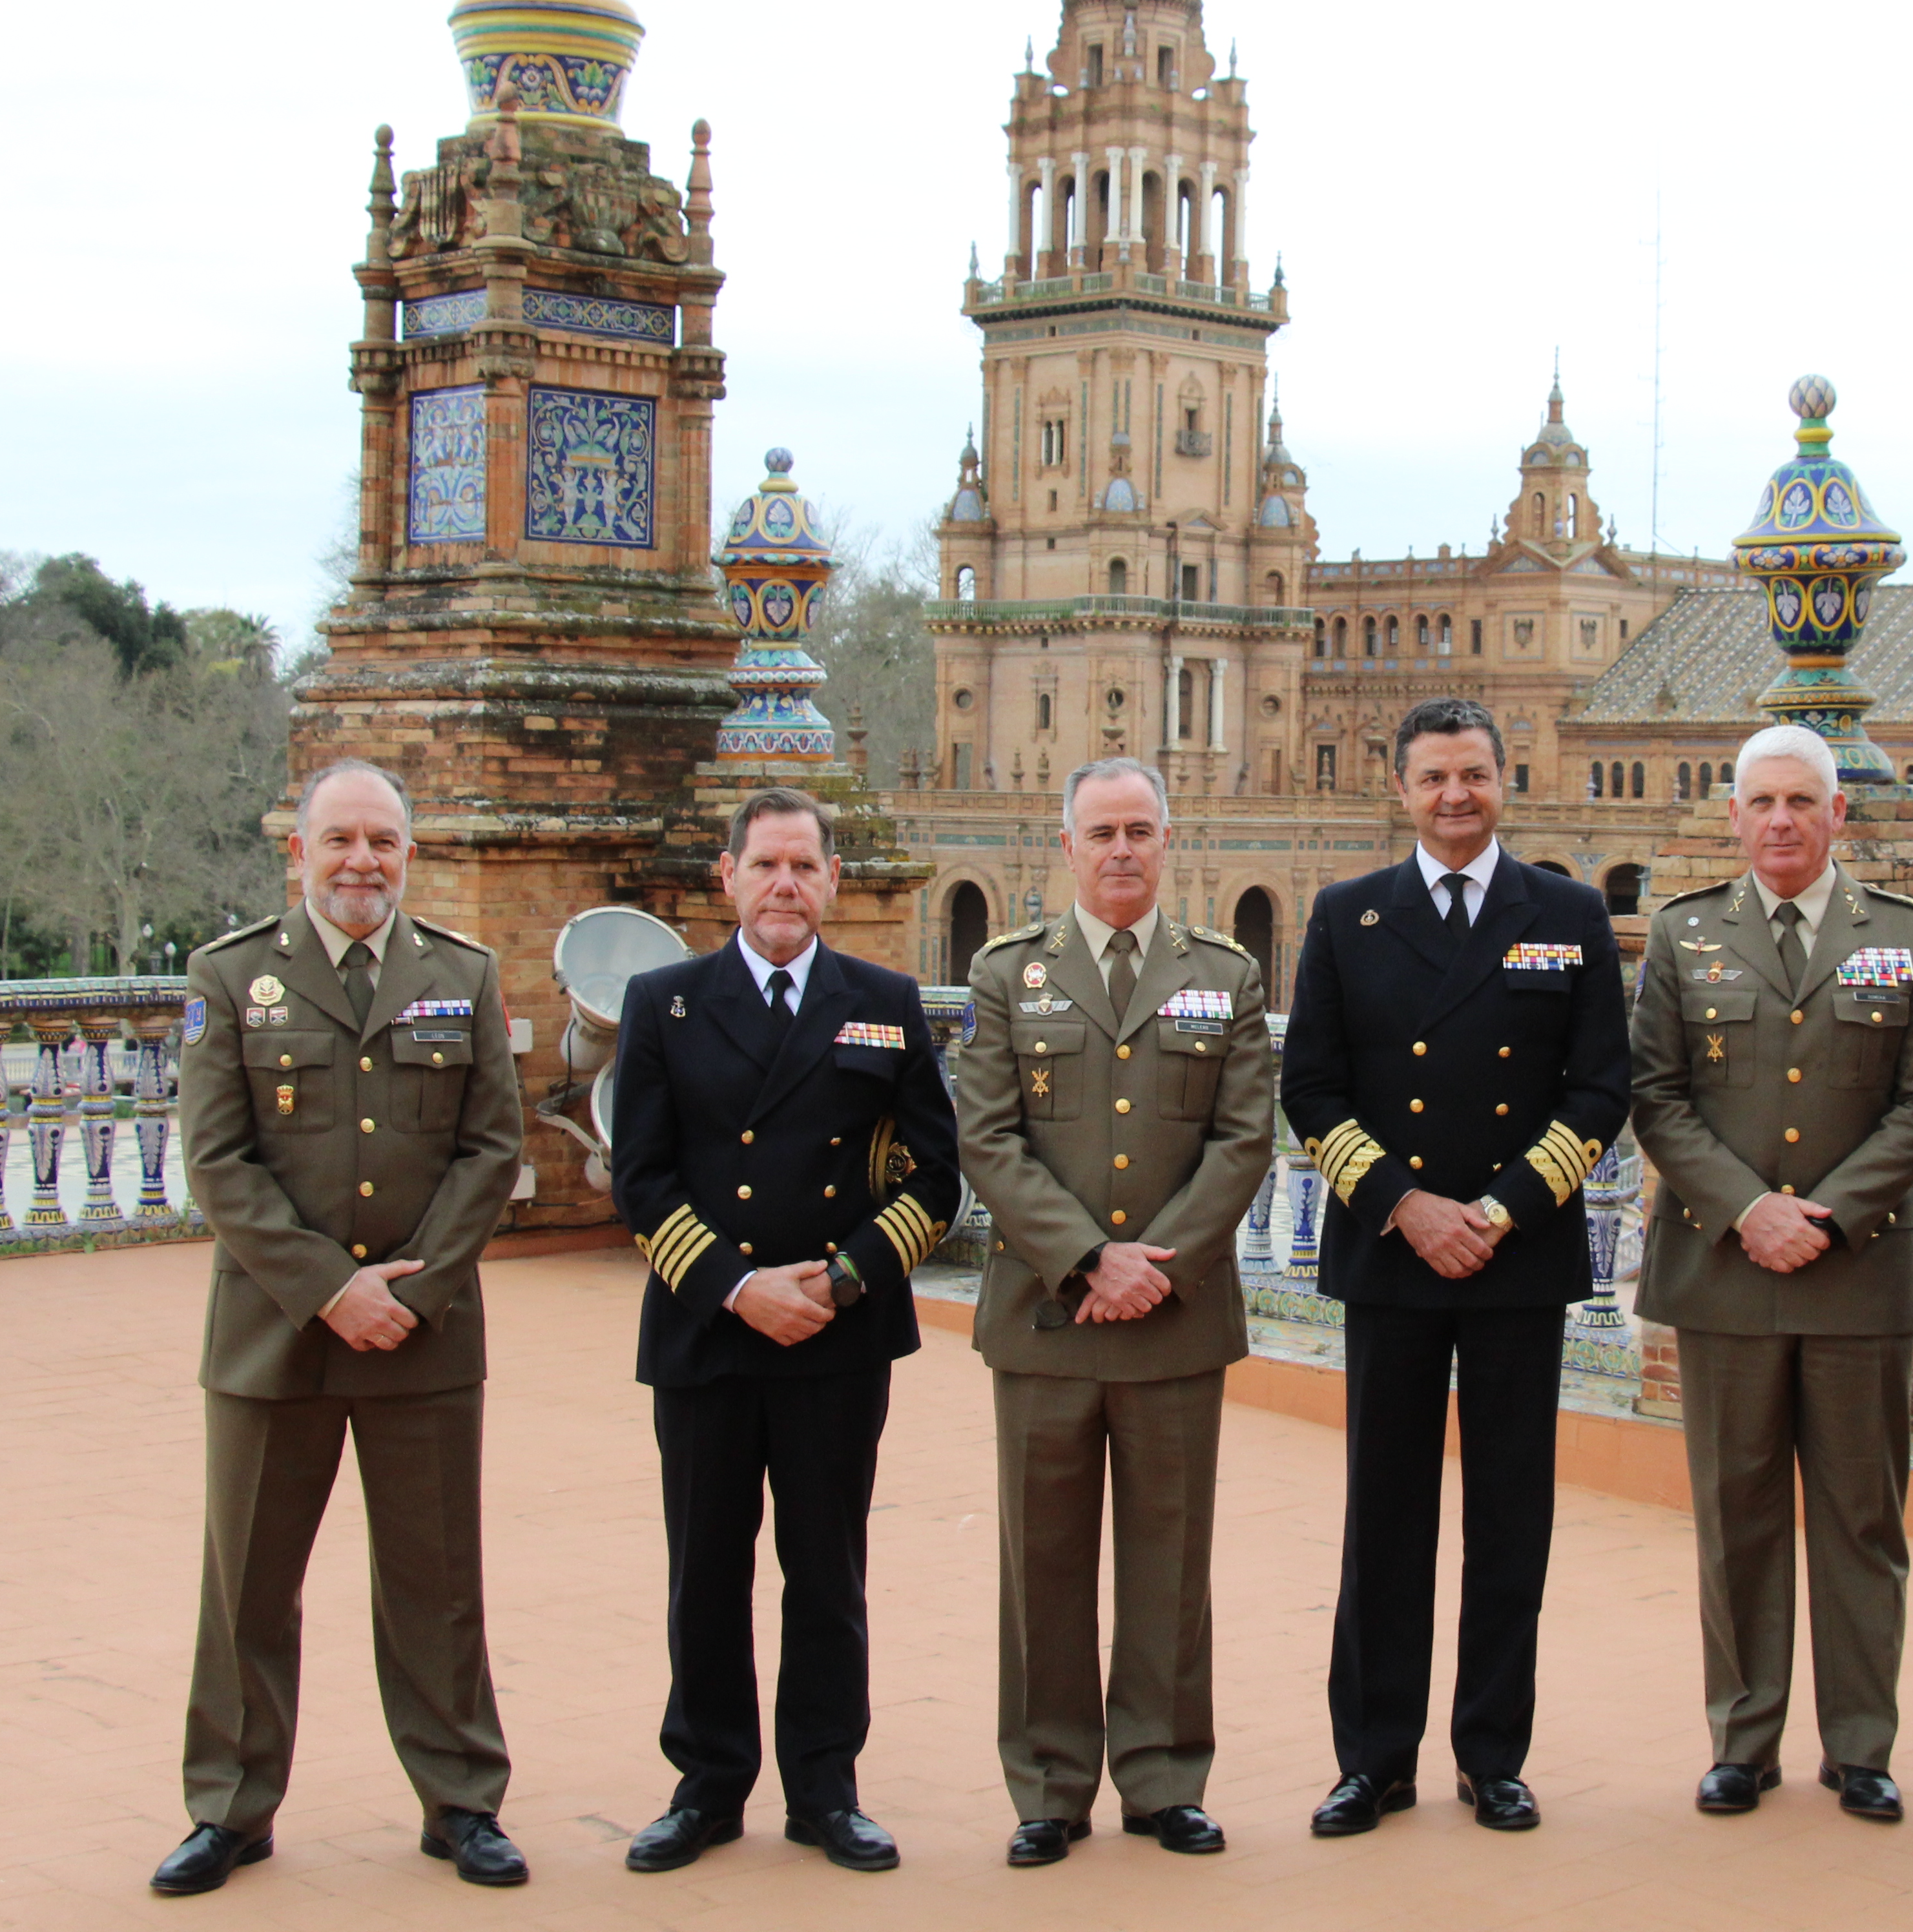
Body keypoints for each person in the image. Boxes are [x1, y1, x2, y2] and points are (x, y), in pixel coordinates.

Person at [156, 757, 529, 1896]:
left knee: (437, 1581)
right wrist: (330, 1288)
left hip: (423, 1335)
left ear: (409, 855)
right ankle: (231, 1806)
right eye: (341, 841)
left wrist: (407, 1294)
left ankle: (461, 1800)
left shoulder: (460, 976)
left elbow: (490, 1149)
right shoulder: (230, 980)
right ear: (299, 852)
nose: (362, 861)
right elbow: (216, 1163)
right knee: (249, 1587)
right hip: (277, 1335)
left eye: (382, 842)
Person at [1281, 695, 1631, 1838]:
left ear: (1503, 779)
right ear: (1401, 789)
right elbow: (1311, 1091)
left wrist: (1496, 1209)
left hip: (1515, 1259)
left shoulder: (1569, 914)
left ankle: (1493, 1753)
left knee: (1509, 1516)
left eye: (1474, 775)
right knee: (1383, 1514)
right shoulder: (1349, 916)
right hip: (1394, 1256)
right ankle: (1372, 1758)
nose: (1455, 796)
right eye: (1433, 778)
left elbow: (1599, 1094)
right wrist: (1407, 1205)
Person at [607, 786, 962, 1876]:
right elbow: (641, 1177)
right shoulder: (663, 1003)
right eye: (765, 866)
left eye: (805, 867)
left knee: (827, 1568)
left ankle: (825, 1788)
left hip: (836, 1337)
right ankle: (708, 1787)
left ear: (833, 883)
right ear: (729, 878)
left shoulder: (885, 1003)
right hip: (710, 1333)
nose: (785, 886)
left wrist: (842, 1283)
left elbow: (938, 1177)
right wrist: (737, 1286)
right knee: (705, 1569)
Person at [1628, 724, 1913, 1824]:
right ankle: (1745, 1737)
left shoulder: (1906, 938)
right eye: (1762, 802)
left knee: (1863, 1519)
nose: (1781, 820)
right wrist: (1748, 1211)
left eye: (1801, 803)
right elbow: (1657, 1095)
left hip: (1856, 1272)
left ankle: (1862, 1745)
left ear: (1837, 816)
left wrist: (1827, 1215)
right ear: (1734, 816)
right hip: (1725, 1270)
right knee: (1738, 1514)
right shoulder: (1685, 935)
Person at [956, 757, 1276, 1868]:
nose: (1123, 849)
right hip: (1048, 1316)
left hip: (1176, 1319)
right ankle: (1049, 1785)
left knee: (1167, 1560)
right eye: (1102, 832)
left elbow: (1244, 1142)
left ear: (1169, 840)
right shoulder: (1009, 975)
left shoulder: (1222, 975)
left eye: (1141, 829)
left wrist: (1157, 1267)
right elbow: (987, 1137)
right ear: (1068, 848)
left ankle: (1163, 1776)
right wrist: (1091, 1260)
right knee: (1041, 1563)